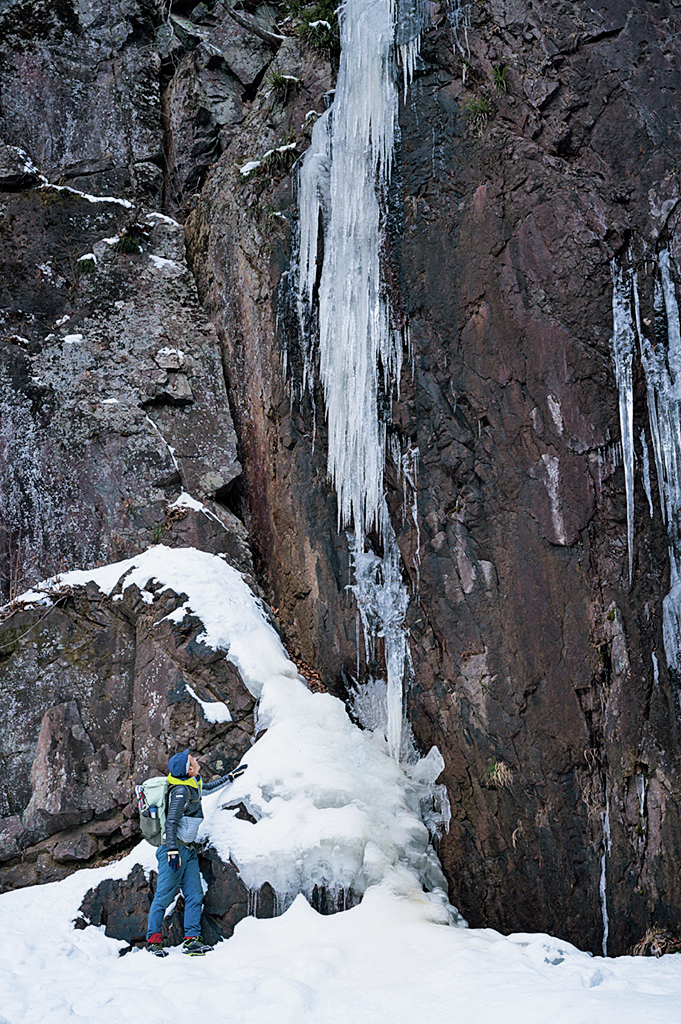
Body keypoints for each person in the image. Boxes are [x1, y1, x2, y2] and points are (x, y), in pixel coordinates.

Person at [146, 748, 247, 956]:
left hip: (188, 850)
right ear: (189, 769)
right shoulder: (181, 791)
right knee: (163, 897)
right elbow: (172, 822)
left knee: (194, 894)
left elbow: (207, 788)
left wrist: (230, 777)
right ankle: (153, 942)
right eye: (192, 759)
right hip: (172, 850)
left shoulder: (192, 785)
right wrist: (172, 851)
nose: (196, 759)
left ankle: (192, 940)